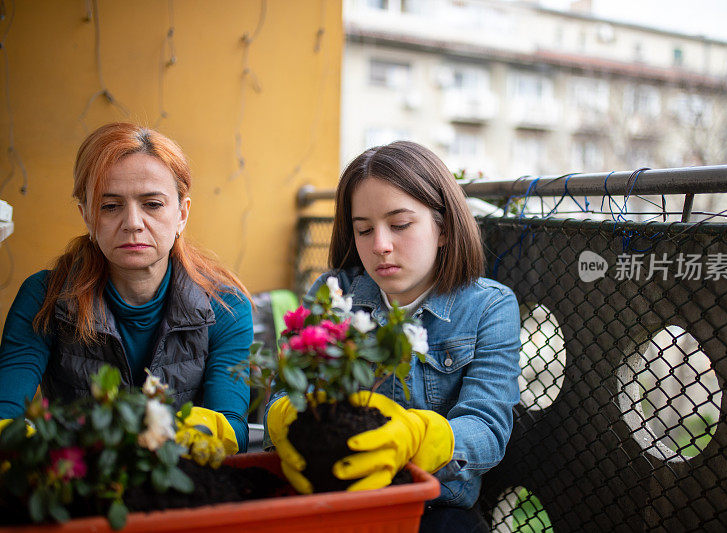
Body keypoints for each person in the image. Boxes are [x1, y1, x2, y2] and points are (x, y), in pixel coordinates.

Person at [266, 141, 521, 532]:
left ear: (444, 228)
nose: (380, 246)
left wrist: (420, 438)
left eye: (400, 225)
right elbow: (285, 393)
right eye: (363, 229)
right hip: (338, 497)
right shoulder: (333, 293)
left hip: (436, 506)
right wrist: (283, 418)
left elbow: (487, 427)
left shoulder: (489, 307)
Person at [0, 122, 253, 453]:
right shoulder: (44, 297)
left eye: (152, 204)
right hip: (80, 488)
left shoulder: (225, 305)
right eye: (110, 206)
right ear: (87, 216)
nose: (133, 223)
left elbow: (231, 428)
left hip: (184, 489)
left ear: (182, 213)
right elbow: (6, 418)